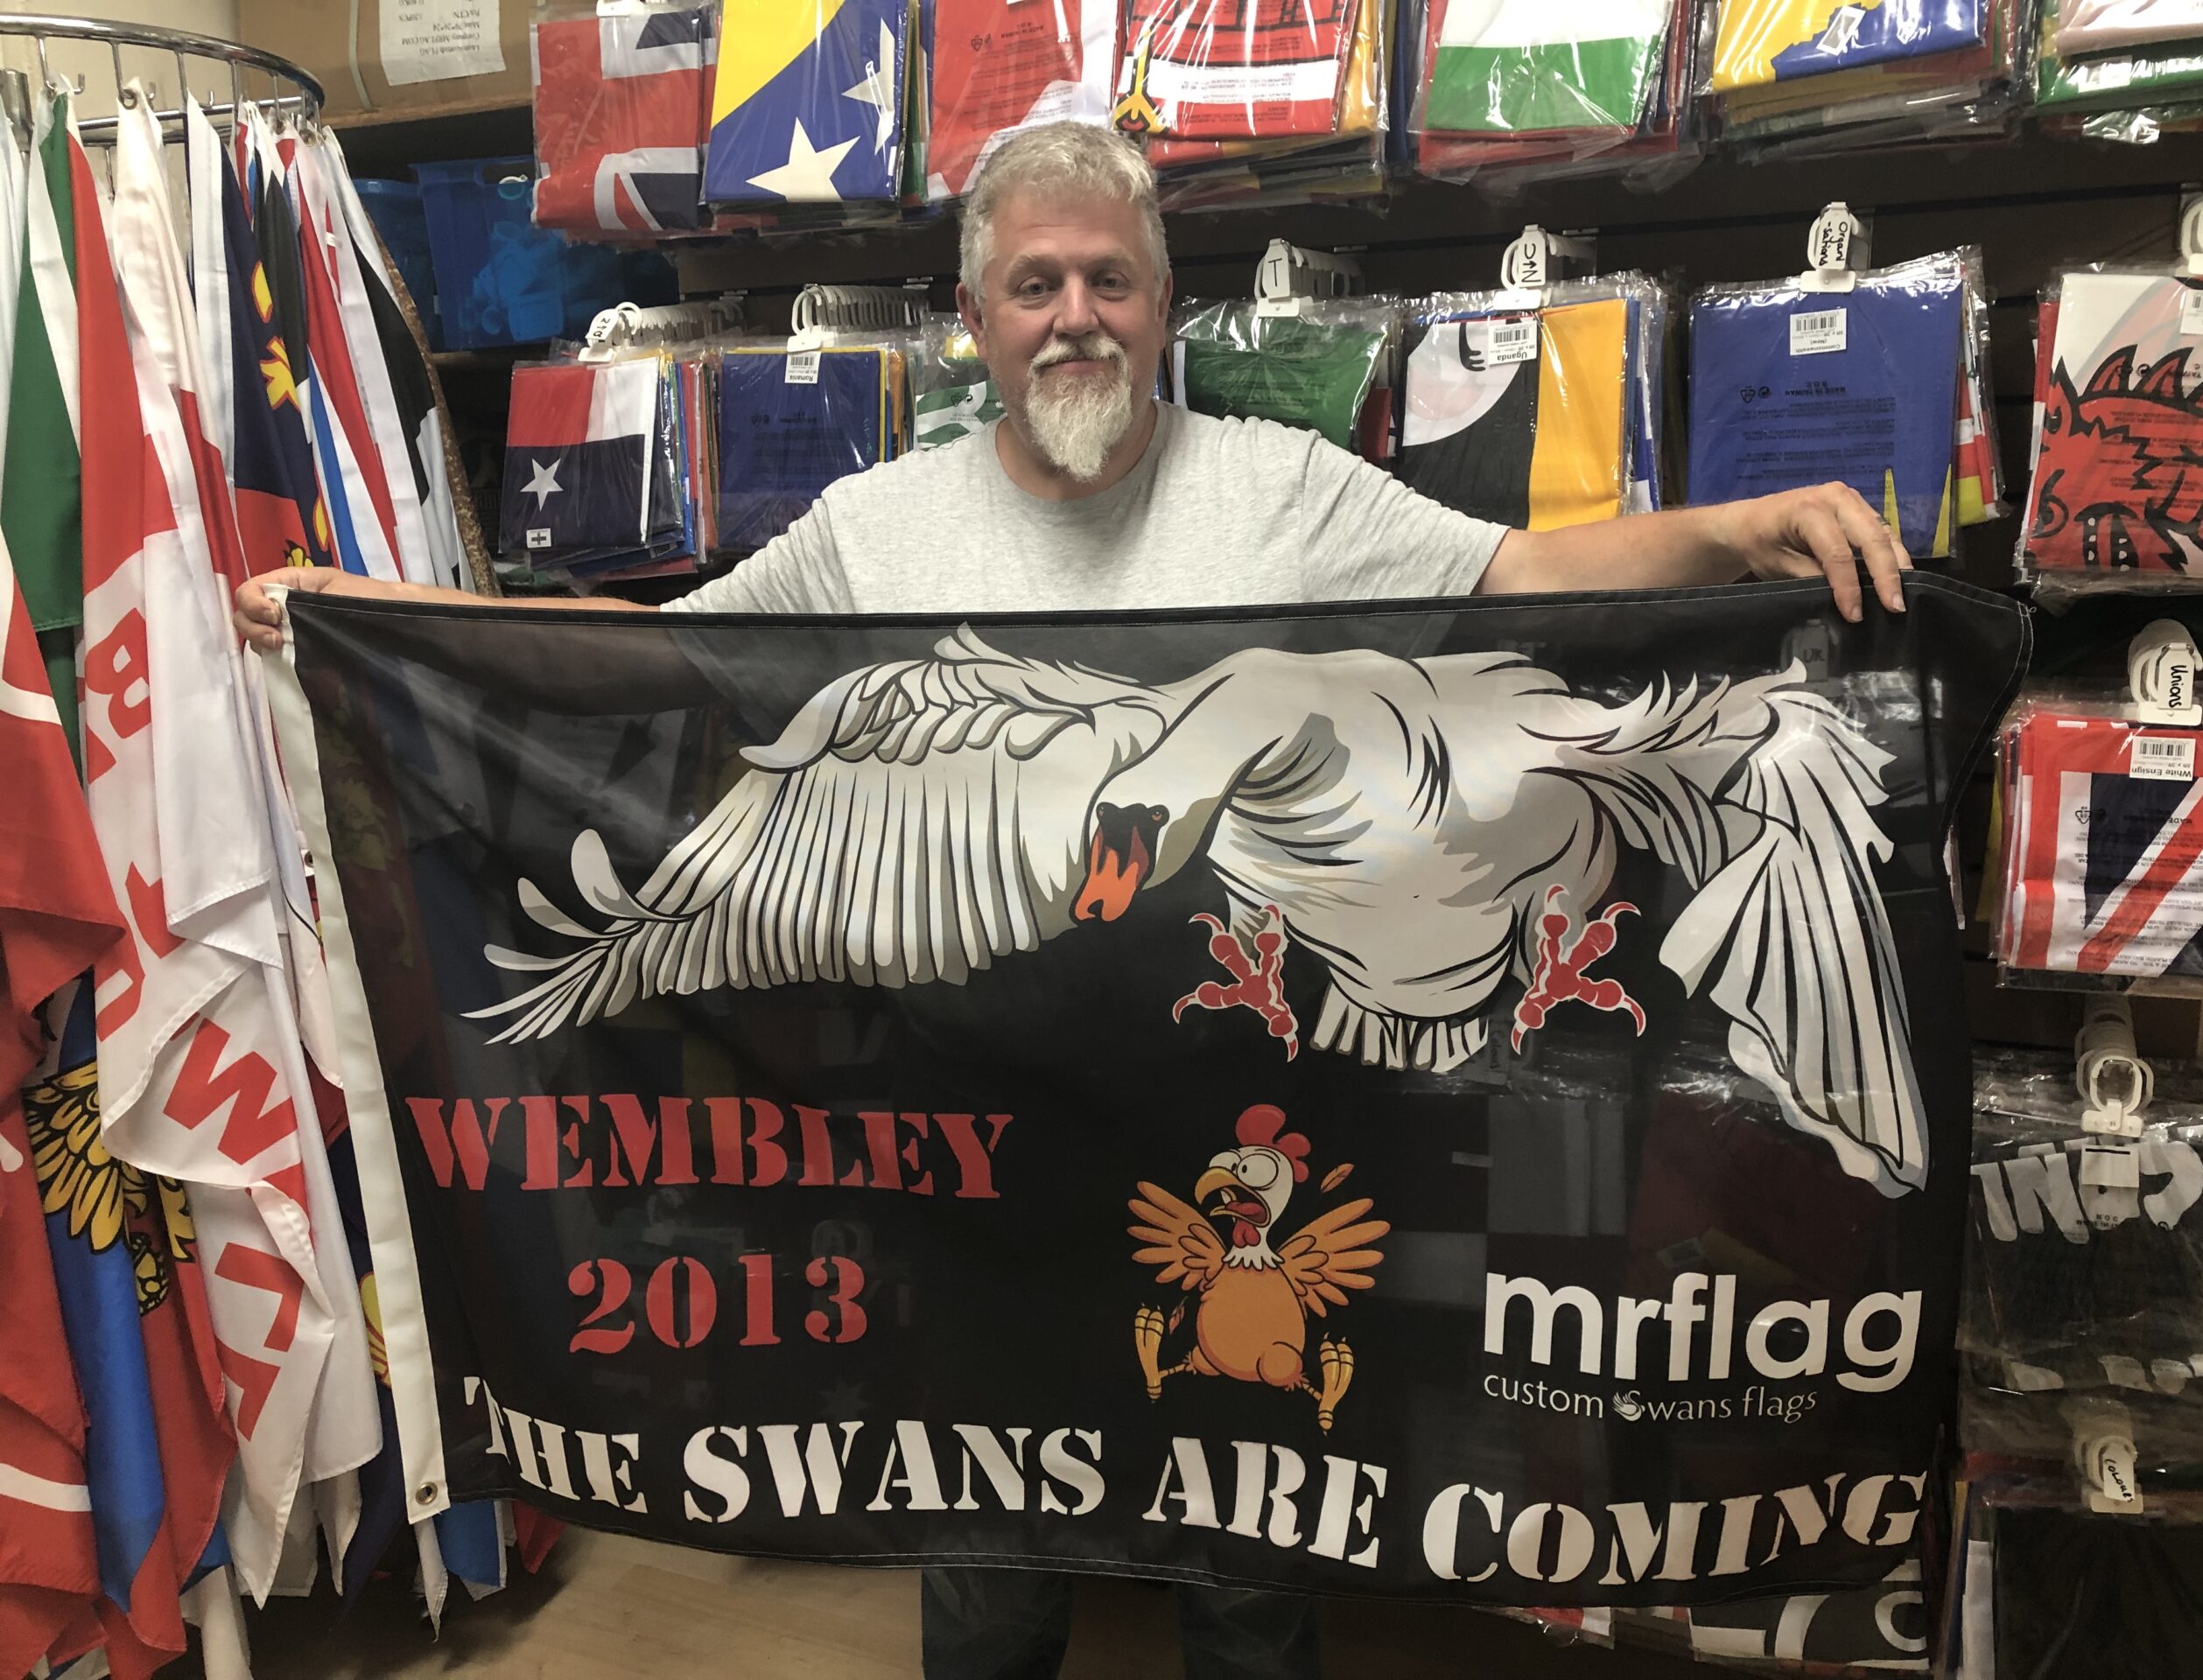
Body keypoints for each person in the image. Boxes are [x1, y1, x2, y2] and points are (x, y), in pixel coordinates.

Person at [234, 122, 1909, 1680]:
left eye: (1111, 279)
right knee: (987, 1547)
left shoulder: (1279, 488)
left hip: (1252, 1132)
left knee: (1257, 1543)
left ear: (1165, 306)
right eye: (1035, 284)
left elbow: (1520, 577)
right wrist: (373, 620)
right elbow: (650, 656)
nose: (1076, 317)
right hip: (980, 1152)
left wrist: (1734, 530)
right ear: (975, 322)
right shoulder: (876, 530)